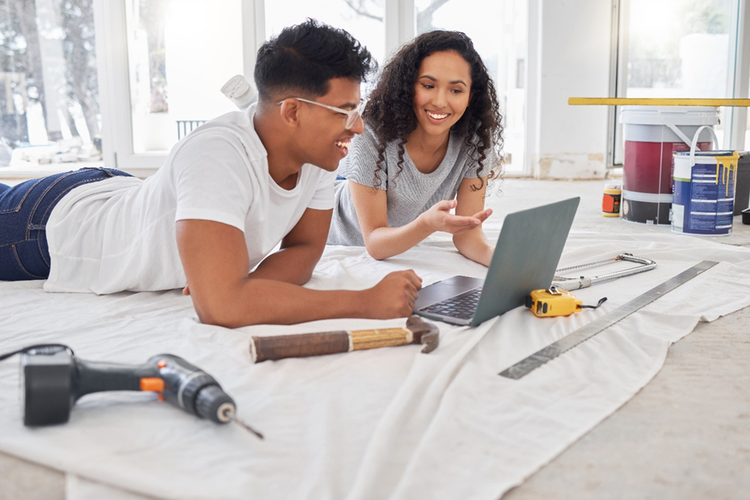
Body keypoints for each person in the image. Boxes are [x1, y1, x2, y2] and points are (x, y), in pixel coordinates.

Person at [0, 19, 422, 327]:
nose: (359, 127)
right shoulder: (217, 154)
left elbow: (305, 250)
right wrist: (364, 301)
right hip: (48, 224)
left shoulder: (316, 156)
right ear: (292, 111)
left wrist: (246, 286)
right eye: (345, 112)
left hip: (116, 191)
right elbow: (219, 308)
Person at [327, 30, 503, 267]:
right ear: (408, 86)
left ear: (471, 96)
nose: (440, 101)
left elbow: (467, 234)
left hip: (399, 247)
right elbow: (374, 242)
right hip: (339, 240)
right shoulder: (372, 130)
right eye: (428, 85)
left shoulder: (476, 137)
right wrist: (427, 224)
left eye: (456, 90)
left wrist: (500, 261)